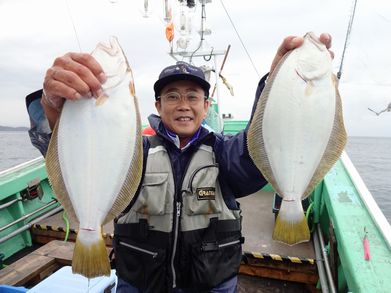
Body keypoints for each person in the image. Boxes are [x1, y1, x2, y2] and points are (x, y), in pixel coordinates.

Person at [26, 33, 333, 293]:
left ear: (206, 105)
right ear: (158, 106)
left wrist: (277, 84)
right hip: (140, 283)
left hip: (212, 284)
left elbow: (258, 149)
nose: (183, 105)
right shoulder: (135, 152)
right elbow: (82, 152)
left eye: (193, 96)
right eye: (172, 97)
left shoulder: (225, 153)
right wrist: (52, 109)